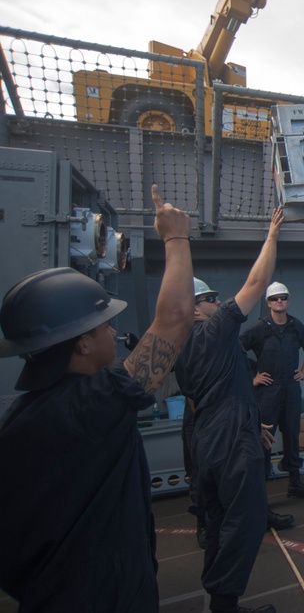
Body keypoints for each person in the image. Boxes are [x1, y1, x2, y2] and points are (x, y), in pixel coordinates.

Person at [0, 185, 194, 610]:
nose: (111, 331)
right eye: (102, 324)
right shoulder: (89, 406)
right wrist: (177, 237)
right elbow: (176, 320)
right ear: (81, 345)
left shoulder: (26, 417)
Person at [173, 208, 289, 613]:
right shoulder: (213, 331)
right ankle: (225, 603)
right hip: (229, 438)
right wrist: (272, 234)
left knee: (220, 520)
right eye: (209, 299)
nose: (217, 302)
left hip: (209, 437)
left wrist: (249, 426)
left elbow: (203, 399)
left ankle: (219, 600)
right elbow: (257, 282)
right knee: (249, 520)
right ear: (193, 307)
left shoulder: (178, 349)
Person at [241, 281, 304, 500]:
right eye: (275, 298)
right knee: (265, 439)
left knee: (292, 435)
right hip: (267, 393)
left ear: (288, 300)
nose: (279, 301)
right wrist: (252, 378)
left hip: (291, 390)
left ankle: (295, 483)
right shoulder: (259, 328)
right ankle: (261, 495)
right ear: (268, 302)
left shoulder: (295, 325)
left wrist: (303, 371)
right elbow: (235, 350)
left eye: (283, 297)